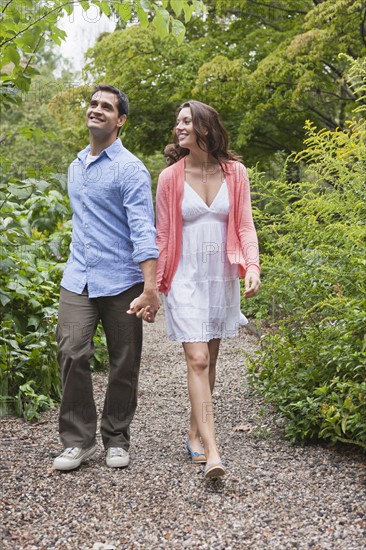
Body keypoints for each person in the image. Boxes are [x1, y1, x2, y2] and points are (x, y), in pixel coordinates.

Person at [53, 84, 160, 471]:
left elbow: (143, 230)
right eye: (93, 104)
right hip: (78, 278)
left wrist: (150, 288)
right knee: (71, 352)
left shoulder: (130, 169)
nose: (96, 110)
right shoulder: (76, 165)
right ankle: (78, 441)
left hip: (122, 281)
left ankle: (116, 436)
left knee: (124, 361)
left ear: (121, 120)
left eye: (106, 107)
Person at [153, 100, 260, 479]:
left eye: (186, 121)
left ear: (204, 126)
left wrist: (252, 265)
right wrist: (153, 286)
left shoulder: (235, 173)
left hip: (219, 276)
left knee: (209, 360)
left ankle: (196, 430)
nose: (178, 127)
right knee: (197, 359)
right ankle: (214, 451)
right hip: (184, 276)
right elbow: (163, 235)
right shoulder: (170, 178)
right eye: (177, 121)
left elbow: (245, 225)